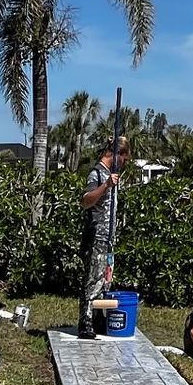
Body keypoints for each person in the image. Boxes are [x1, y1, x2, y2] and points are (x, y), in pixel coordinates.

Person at [75, 135, 129, 339]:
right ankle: (86, 321)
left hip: (108, 237)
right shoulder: (97, 174)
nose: (124, 163)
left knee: (105, 280)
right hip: (96, 234)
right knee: (92, 279)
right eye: (124, 158)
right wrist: (105, 186)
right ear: (117, 154)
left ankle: (98, 318)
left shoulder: (111, 174)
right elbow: (86, 201)